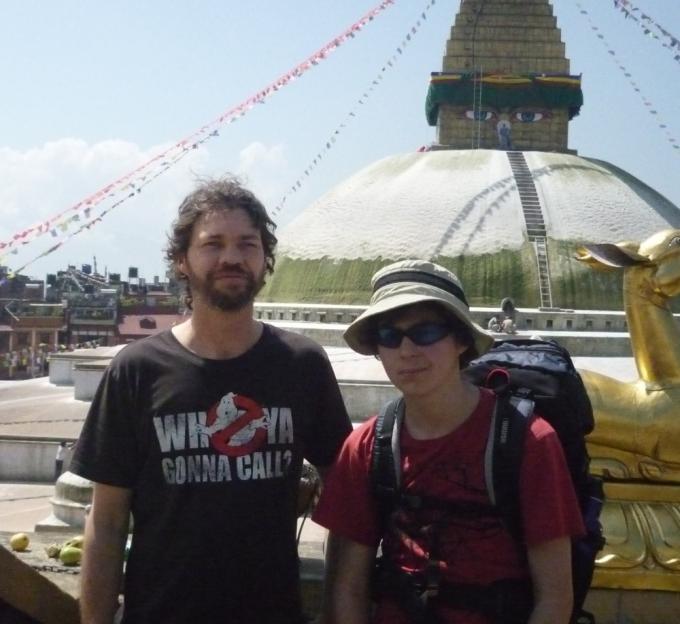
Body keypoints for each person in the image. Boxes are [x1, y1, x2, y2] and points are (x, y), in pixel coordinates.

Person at [70, 176, 352, 624]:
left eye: (247, 244)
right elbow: (106, 523)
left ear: (265, 259)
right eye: (212, 244)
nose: (231, 258)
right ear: (182, 260)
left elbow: (346, 502)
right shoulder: (137, 371)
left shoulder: (303, 366)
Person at [313, 260, 584, 624]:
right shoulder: (366, 445)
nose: (407, 350)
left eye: (425, 332)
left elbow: (555, 596)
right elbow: (349, 587)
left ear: (461, 340)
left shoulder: (529, 442)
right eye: (390, 336)